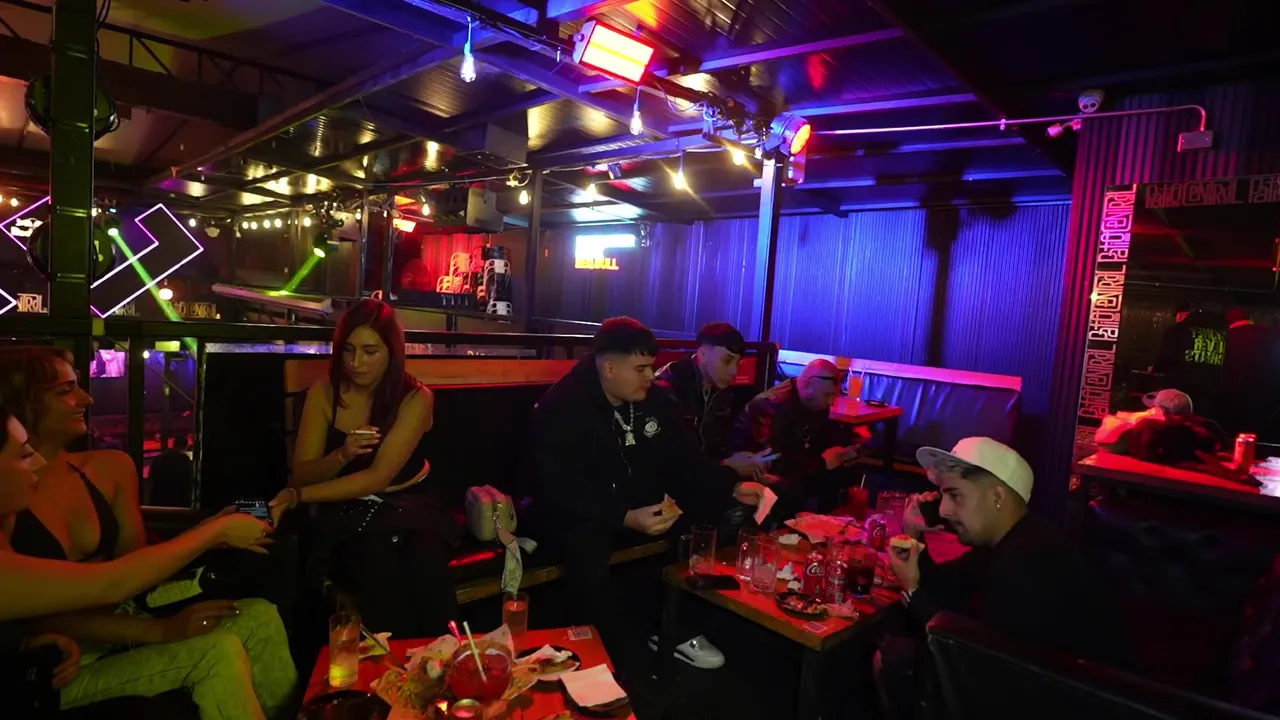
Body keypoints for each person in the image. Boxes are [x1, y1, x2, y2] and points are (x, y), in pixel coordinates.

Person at [0, 346, 296, 719]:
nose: (87, 399)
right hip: (64, 661)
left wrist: (210, 531)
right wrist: (163, 629)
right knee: (215, 651)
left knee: (259, 616)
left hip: (117, 621)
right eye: (66, 390)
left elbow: (135, 573)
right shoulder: (10, 500)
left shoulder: (107, 468)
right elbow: (76, 594)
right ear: (22, 403)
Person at [529, 317, 769, 672]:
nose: (650, 376)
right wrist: (623, 516)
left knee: (705, 513)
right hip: (578, 509)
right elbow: (556, 486)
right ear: (609, 368)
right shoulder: (564, 405)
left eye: (651, 368)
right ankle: (589, 651)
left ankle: (672, 625)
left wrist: (731, 485)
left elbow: (684, 458)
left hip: (635, 502)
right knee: (586, 542)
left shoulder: (652, 400)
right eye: (641, 369)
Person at [877, 437, 1126, 719]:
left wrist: (912, 592)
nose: (944, 510)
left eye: (955, 495)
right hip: (1030, 690)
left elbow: (976, 665)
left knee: (894, 659)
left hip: (1065, 703)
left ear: (997, 497)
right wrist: (914, 537)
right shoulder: (1009, 541)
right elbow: (946, 587)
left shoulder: (1031, 564)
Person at [270, 298, 457, 638]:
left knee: (426, 562)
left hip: (409, 503)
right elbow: (302, 473)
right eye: (348, 350)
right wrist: (341, 455)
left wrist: (296, 497)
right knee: (375, 562)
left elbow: (377, 478)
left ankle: (441, 659)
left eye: (370, 351)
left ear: (391, 353)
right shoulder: (326, 391)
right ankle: (391, 664)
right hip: (347, 510)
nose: (356, 362)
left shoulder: (415, 397)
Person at [732, 358, 863, 515]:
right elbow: (773, 460)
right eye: (828, 395)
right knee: (796, 484)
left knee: (844, 474)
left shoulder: (816, 403)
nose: (832, 402)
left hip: (794, 466)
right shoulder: (770, 405)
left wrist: (841, 454)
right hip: (756, 473)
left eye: (834, 395)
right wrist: (822, 462)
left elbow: (817, 442)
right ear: (808, 386)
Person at [655, 322, 747, 461]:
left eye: (737, 363)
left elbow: (718, 445)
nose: (734, 371)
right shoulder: (670, 387)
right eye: (727, 361)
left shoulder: (722, 391)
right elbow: (671, 456)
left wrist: (736, 458)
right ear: (702, 354)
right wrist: (725, 465)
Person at [1153, 303, 1225, 420]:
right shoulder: (1219, 334)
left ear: (1182, 315)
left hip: (1181, 390)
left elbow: (1167, 354)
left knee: (1176, 423)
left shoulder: (1178, 330)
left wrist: (1155, 368)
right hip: (1209, 390)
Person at [147, 434, 195, 507]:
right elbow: (189, 480)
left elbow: (151, 476)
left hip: (158, 499)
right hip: (178, 501)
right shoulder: (184, 460)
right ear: (186, 446)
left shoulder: (159, 458)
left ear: (173, 444)